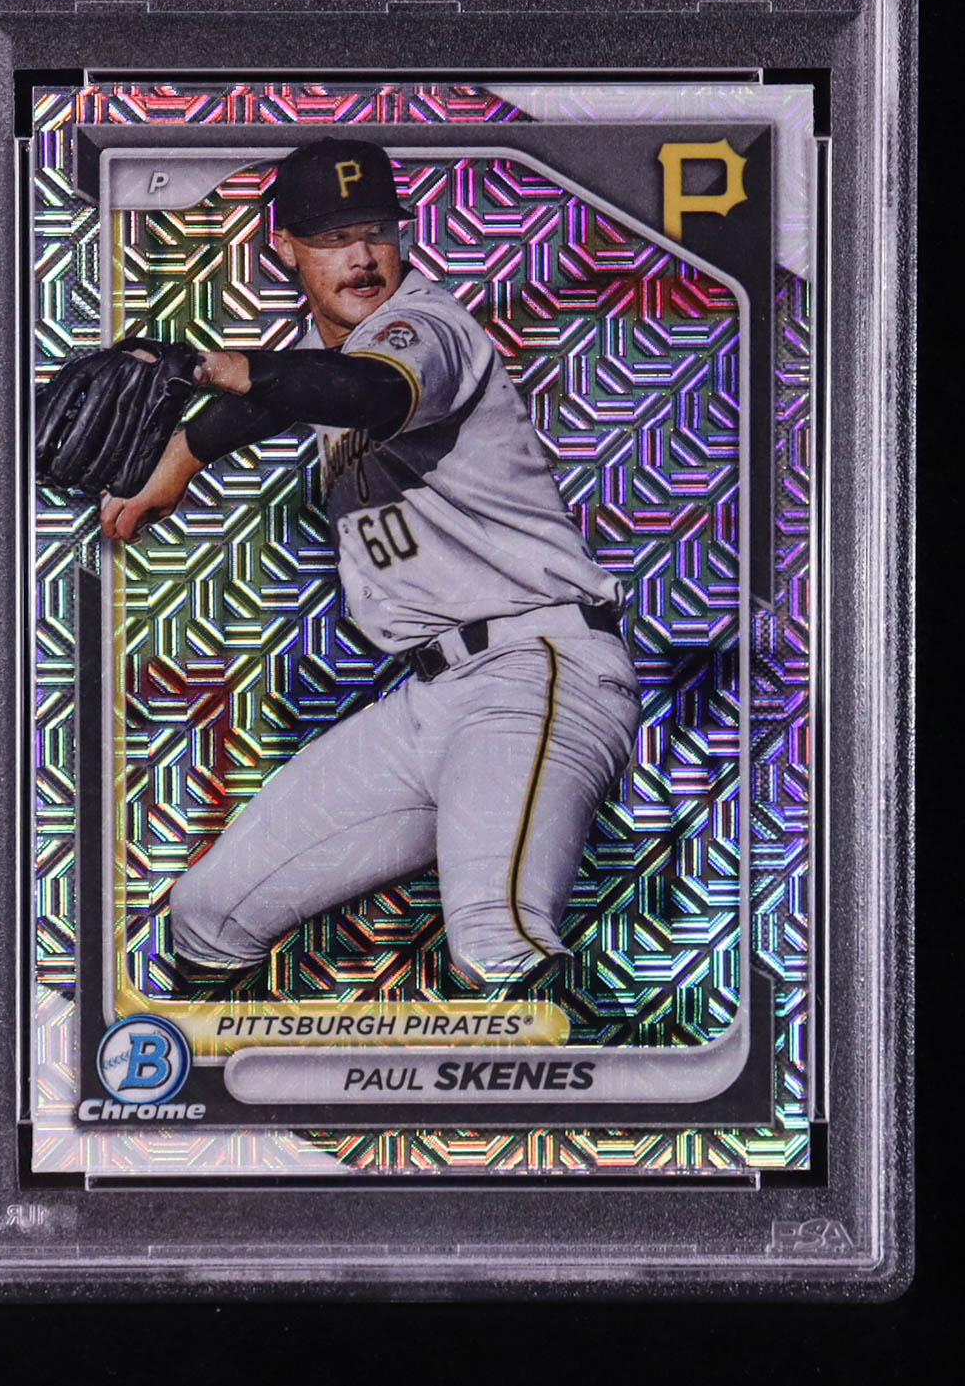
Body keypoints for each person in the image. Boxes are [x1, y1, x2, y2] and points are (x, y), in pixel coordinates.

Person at [101, 137, 641, 990]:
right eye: (330, 236)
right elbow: (300, 388)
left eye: (374, 231)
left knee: (496, 941)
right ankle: (225, 1074)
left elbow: (368, 390)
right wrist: (184, 454)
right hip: (431, 702)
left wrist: (209, 368)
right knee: (208, 913)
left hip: (536, 670)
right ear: (284, 247)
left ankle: (632, 1077)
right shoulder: (328, 356)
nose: (359, 255)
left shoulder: (424, 327)